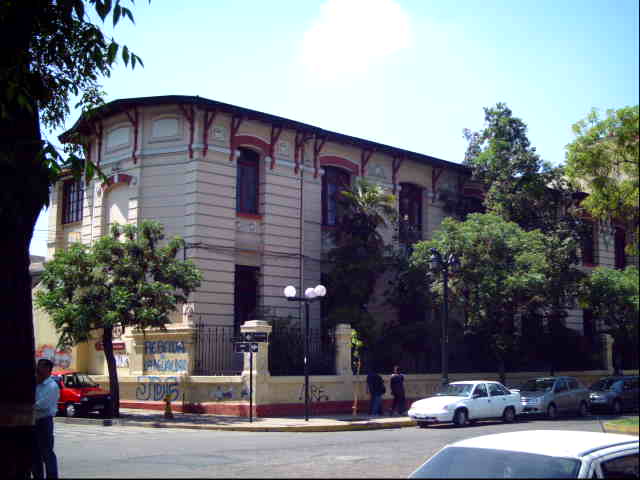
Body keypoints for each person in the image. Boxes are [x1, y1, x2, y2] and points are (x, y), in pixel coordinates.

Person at [32, 358, 60, 479]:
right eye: (38, 366)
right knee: (35, 453)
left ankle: (52, 476)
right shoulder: (37, 383)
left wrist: (29, 406)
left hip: (44, 421)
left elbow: (43, 405)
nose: (38, 369)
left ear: (48, 369)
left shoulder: (51, 386)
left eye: (41, 367)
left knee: (47, 452)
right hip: (33, 421)